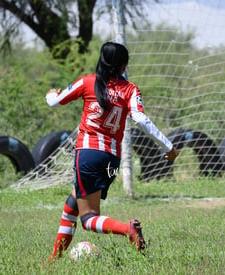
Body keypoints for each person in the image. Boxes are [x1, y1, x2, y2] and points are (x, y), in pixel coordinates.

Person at [45, 41, 178, 261]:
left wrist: (51, 94)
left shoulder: (87, 82)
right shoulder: (130, 90)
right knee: (72, 204)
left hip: (87, 155)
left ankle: (127, 229)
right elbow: (141, 120)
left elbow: (55, 102)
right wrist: (169, 146)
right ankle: (52, 259)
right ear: (123, 66)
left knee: (88, 218)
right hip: (112, 160)